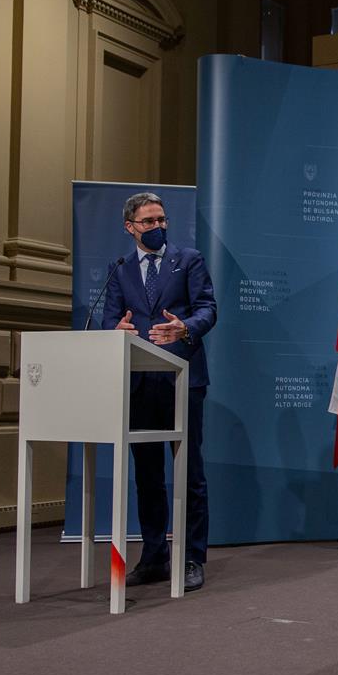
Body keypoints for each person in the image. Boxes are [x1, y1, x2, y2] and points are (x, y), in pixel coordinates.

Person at [102, 192, 217, 592]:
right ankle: (153, 557)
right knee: (147, 475)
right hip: (139, 383)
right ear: (130, 227)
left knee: (190, 473)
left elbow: (208, 309)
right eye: (148, 222)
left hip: (183, 378)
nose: (157, 227)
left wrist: (185, 327)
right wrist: (115, 329)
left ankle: (192, 557)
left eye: (161, 220)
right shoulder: (120, 270)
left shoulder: (189, 260)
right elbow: (109, 319)